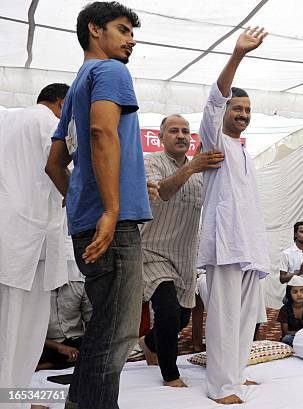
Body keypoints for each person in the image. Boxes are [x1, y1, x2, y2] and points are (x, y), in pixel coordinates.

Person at [45, 3, 152, 408]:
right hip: (114, 224)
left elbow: (55, 165)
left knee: (103, 332)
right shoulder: (111, 71)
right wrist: (109, 209)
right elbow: (101, 131)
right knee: (116, 337)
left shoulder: (75, 87)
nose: (131, 40)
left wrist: (83, 202)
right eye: (123, 30)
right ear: (95, 30)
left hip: (89, 222)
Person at [195, 26, 269, 405]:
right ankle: (221, 386)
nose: (243, 114)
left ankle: (236, 375)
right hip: (224, 244)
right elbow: (212, 102)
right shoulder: (214, 141)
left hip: (248, 245)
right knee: (223, 320)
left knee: (244, 320)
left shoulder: (243, 152)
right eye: (237, 108)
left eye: (248, 111)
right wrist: (238, 55)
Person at [138, 115, 224, 386]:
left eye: (186, 131)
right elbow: (162, 192)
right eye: (173, 131)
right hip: (153, 251)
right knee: (168, 311)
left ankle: (150, 342)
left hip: (186, 255)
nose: (181, 135)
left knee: (183, 317)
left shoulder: (201, 174)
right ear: (161, 137)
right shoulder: (151, 161)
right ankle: (170, 374)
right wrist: (191, 168)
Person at [0, 83, 69, 396]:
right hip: (28, 241)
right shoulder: (49, 122)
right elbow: (58, 167)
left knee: (9, 327)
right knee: (21, 332)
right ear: (61, 102)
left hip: (11, 235)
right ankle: (10, 399)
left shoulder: (7, 118)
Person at [38, 275, 92, 370]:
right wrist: (60, 347)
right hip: (45, 344)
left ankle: (41, 367)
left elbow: (90, 321)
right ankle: (48, 364)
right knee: (26, 354)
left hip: (74, 342)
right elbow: (30, 334)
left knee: (86, 350)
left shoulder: (79, 285)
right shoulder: (36, 292)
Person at [277, 276, 303, 346]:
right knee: (286, 339)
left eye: (302, 291)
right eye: (295, 292)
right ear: (289, 294)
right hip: (291, 338)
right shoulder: (284, 309)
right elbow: (285, 332)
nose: (299, 294)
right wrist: (300, 333)